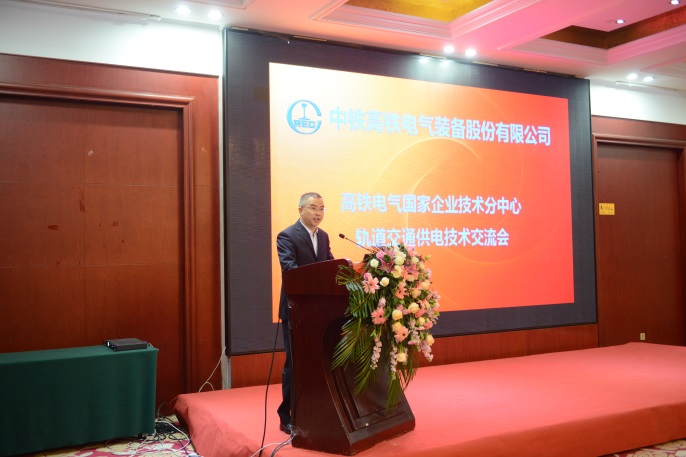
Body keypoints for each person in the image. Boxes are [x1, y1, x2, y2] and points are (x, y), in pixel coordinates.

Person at [276, 192, 334, 434]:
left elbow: (330, 265)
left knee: (317, 363)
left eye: (322, 208)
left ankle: (313, 410)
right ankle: (286, 415)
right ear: (300, 210)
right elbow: (290, 270)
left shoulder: (324, 236)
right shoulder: (287, 235)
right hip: (296, 312)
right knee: (295, 364)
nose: (318, 213)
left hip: (319, 313)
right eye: (313, 208)